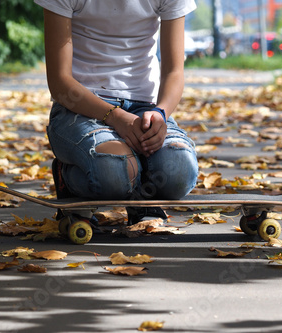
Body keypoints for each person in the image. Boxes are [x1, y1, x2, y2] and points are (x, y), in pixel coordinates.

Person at [34, 0, 199, 224]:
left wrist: (161, 112)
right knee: (114, 172)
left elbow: (174, 71)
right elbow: (59, 83)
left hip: (145, 107)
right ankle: (68, 176)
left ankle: (140, 195)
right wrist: (115, 117)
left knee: (179, 172)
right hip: (81, 109)